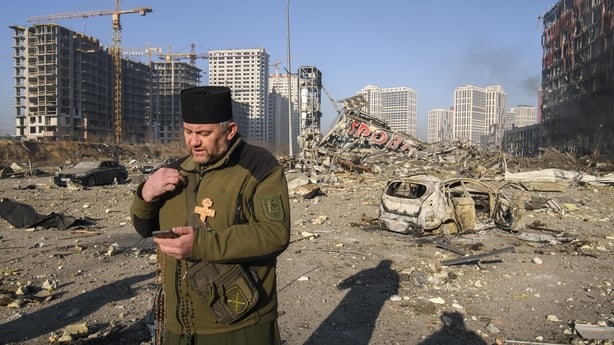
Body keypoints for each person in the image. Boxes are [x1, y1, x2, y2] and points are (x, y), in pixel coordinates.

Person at [130, 86, 291, 345]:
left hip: (240, 322)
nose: (193, 141)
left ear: (230, 130)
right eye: (188, 131)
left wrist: (201, 244)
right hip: (178, 324)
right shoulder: (175, 170)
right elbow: (143, 228)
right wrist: (145, 194)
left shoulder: (259, 167)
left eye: (204, 133)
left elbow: (275, 234)